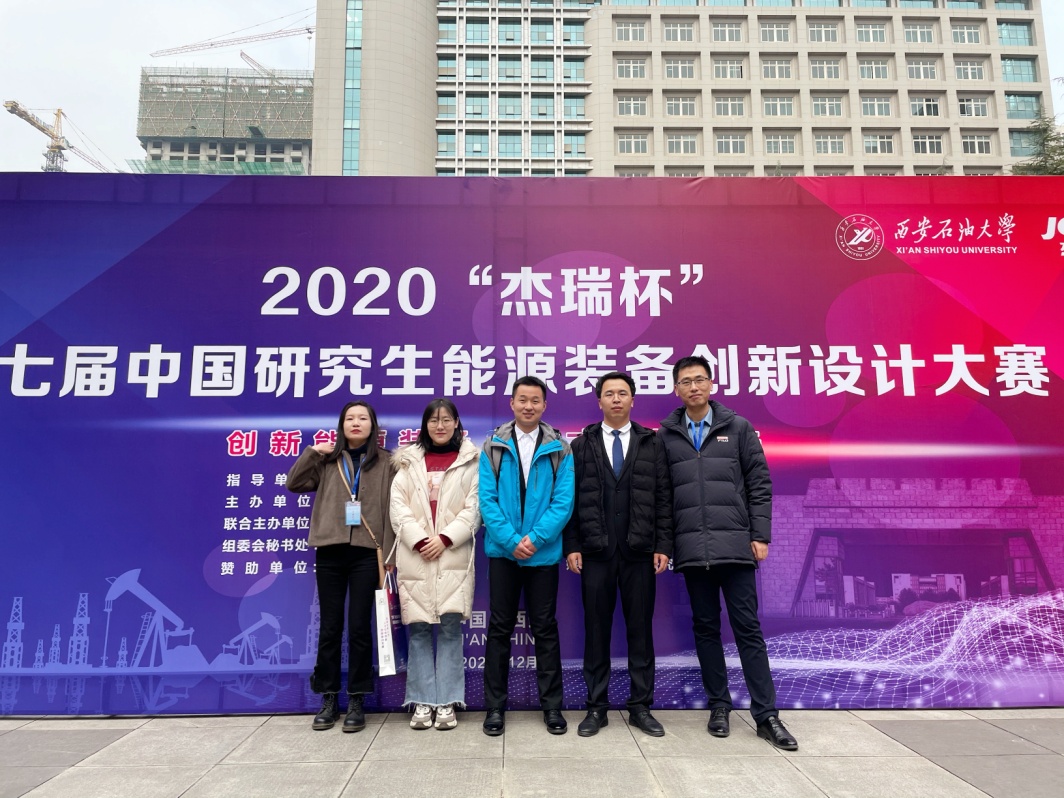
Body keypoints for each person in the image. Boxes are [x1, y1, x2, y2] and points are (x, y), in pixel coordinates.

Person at [658, 355, 798, 751]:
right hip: (692, 551)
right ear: (676, 389)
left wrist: (760, 535)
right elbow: (663, 497)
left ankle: (766, 715)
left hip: (736, 548)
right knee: (705, 630)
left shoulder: (738, 428)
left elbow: (759, 483)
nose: (694, 387)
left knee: (747, 630)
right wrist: (666, 546)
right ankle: (719, 706)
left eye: (700, 379)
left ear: (711, 384)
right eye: (686, 382)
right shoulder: (666, 436)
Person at [564, 372, 673, 738]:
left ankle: (641, 706)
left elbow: (663, 498)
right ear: (599, 401)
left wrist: (663, 545)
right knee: (596, 631)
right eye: (609, 393)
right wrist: (572, 545)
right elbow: (570, 500)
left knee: (640, 631)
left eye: (622, 393)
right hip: (595, 552)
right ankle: (597, 707)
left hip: (639, 551)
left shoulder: (651, 443)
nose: (615, 399)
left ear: (632, 400)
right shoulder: (582, 444)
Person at [287, 401, 394, 733]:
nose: (356, 423)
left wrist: (389, 554)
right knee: (330, 627)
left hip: (367, 553)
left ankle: (358, 698)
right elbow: (294, 484)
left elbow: (395, 509)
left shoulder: (387, 462)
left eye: (363, 418)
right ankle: (329, 697)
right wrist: (312, 452)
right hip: (330, 551)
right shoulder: (327, 460)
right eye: (350, 418)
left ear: (373, 425)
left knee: (360, 627)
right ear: (341, 425)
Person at [480, 375, 575, 736]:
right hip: (504, 555)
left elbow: (563, 502)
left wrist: (535, 539)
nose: (528, 406)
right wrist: (510, 540)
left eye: (535, 400)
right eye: (522, 400)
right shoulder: (493, 445)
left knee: (545, 629)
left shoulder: (560, 448)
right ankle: (494, 707)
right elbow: (487, 500)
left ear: (545, 405)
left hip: (542, 555)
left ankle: (552, 707)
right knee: (499, 629)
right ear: (512, 403)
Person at [390, 398, 480, 731]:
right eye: (433, 420)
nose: (439, 426)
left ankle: (448, 701)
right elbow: (398, 507)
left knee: (451, 629)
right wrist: (418, 540)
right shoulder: (407, 461)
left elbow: (475, 508)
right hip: (415, 555)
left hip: (452, 554)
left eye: (446, 420)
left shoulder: (471, 461)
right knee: (418, 630)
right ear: (424, 425)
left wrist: (444, 539)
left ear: (457, 423)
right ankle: (422, 700)